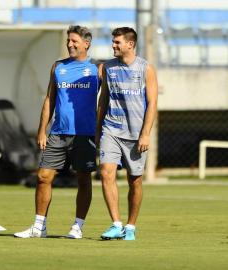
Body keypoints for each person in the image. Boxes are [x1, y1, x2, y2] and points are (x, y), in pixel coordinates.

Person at [14, 25, 100, 239]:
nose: (70, 45)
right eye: (68, 41)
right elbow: (50, 99)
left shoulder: (98, 69)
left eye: (74, 41)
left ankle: (77, 227)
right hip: (57, 133)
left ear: (86, 43)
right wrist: (42, 130)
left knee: (83, 179)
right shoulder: (58, 67)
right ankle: (38, 227)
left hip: (85, 134)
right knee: (43, 176)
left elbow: (109, 98)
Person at [96, 27, 158, 241]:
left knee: (135, 181)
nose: (113, 45)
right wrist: (98, 129)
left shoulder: (146, 69)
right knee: (106, 172)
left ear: (130, 44)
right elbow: (103, 99)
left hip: (136, 133)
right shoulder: (107, 67)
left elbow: (152, 104)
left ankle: (130, 227)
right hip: (111, 129)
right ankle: (116, 224)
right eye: (113, 42)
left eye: (117, 42)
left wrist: (146, 134)